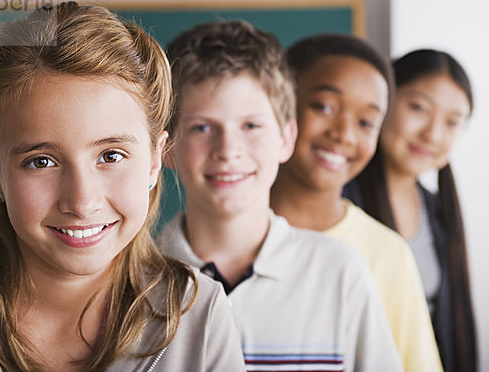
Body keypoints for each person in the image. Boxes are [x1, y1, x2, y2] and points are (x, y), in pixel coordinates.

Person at [0, 2, 246, 372]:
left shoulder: (202, 316)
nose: (82, 202)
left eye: (111, 156)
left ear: (153, 161)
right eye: (41, 161)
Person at [157, 20, 403, 372]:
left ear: (286, 138)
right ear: (167, 148)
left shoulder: (340, 273)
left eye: (251, 126)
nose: (228, 150)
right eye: (202, 127)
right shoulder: (133, 282)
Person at [270, 34, 443, 372]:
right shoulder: (225, 237)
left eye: (366, 122)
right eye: (324, 107)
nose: (345, 134)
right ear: (279, 105)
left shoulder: (389, 255)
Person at [343, 49, 477, 372]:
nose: (432, 133)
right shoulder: (339, 202)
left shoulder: (438, 213)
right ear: (384, 101)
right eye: (418, 108)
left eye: (452, 122)